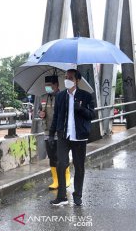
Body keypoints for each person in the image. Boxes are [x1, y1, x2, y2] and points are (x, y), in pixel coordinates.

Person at [49, 69, 95, 206]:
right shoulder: (60, 96)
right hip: (63, 135)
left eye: (70, 78)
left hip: (79, 137)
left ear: (77, 80)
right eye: (66, 77)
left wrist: (80, 109)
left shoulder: (86, 96)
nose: (67, 80)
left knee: (79, 167)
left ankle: (77, 195)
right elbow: (56, 116)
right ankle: (62, 196)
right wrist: (51, 134)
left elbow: (92, 115)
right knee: (61, 164)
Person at [38, 75, 71, 190]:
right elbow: (39, 111)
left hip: (60, 131)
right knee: (52, 156)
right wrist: (40, 114)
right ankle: (56, 180)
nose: (47, 88)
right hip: (47, 131)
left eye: (50, 85)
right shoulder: (43, 98)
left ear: (57, 85)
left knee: (61, 156)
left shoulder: (64, 96)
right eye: (46, 86)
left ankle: (66, 178)